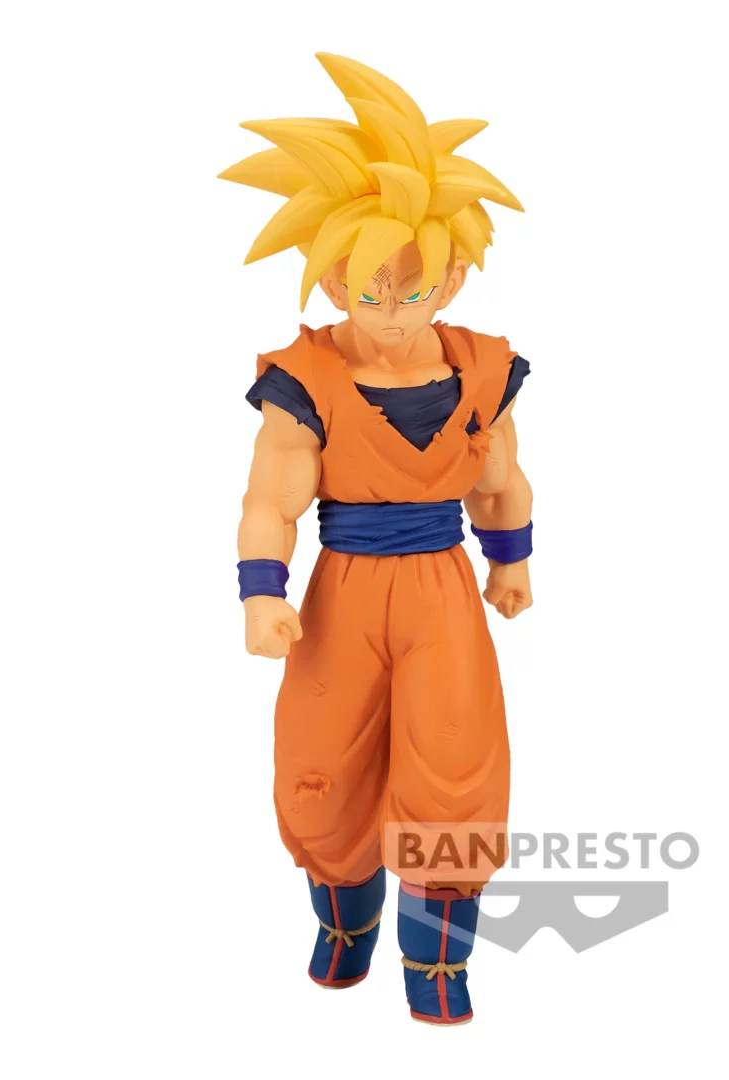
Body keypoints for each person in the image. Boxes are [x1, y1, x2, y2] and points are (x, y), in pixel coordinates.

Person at [222, 53, 534, 1025]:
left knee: (454, 769)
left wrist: (513, 561)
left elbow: (500, 479)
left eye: (413, 288)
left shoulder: (481, 372)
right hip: (342, 592)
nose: (392, 312)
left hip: (443, 592)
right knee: (324, 767)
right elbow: (271, 497)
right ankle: (345, 924)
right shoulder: (306, 380)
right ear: (332, 280)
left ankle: (437, 962)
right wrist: (262, 591)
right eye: (368, 290)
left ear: (452, 277)